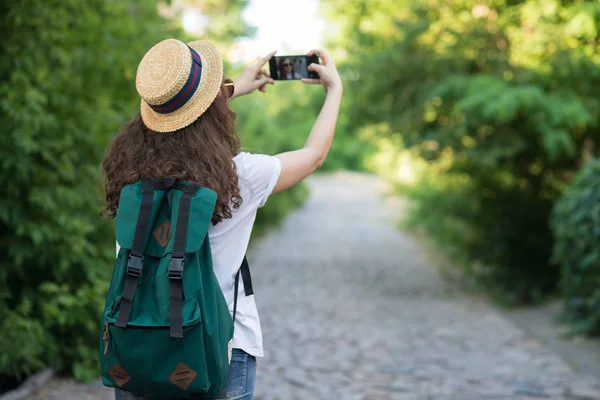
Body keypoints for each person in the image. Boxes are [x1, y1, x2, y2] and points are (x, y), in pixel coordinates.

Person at [102, 38, 342, 400]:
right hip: (219, 354)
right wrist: (334, 90)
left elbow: (179, 125)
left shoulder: (129, 178)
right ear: (215, 107)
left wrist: (229, 90)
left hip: (138, 353)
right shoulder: (237, 178)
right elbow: (313, 155)